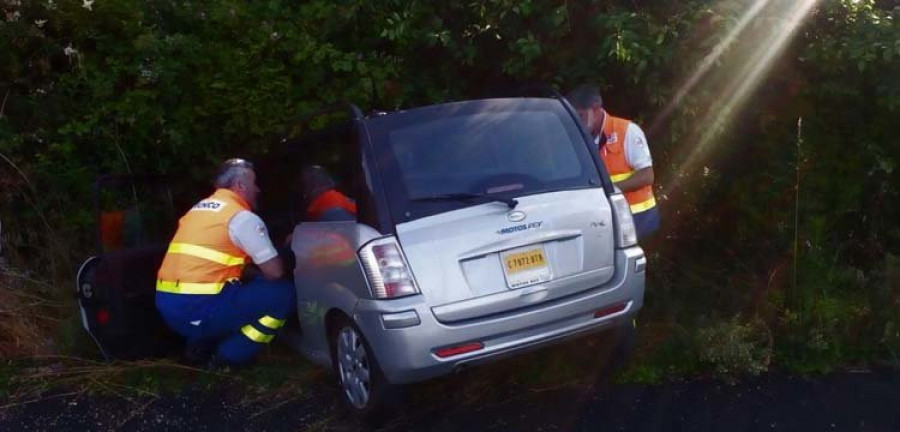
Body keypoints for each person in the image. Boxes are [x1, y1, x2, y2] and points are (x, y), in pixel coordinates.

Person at [155, 158, 295, 366]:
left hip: (168, 305)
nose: (258, 190)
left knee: (249, 286)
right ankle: (229, 356)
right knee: (283, 293)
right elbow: (274, 272)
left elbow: (218, 264)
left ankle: (199, 345)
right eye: (254, 183)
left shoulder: (199, 210)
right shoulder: (241, 218)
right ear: (240, 185)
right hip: (197, 309)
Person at [567, 84, 660, 240]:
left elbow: (647, 176)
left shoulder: (627, 130)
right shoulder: (582, 137)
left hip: (639, 217)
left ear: (596, 109)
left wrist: (609, 190)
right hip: (607, 219)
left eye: (581, 116)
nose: (578, 123)